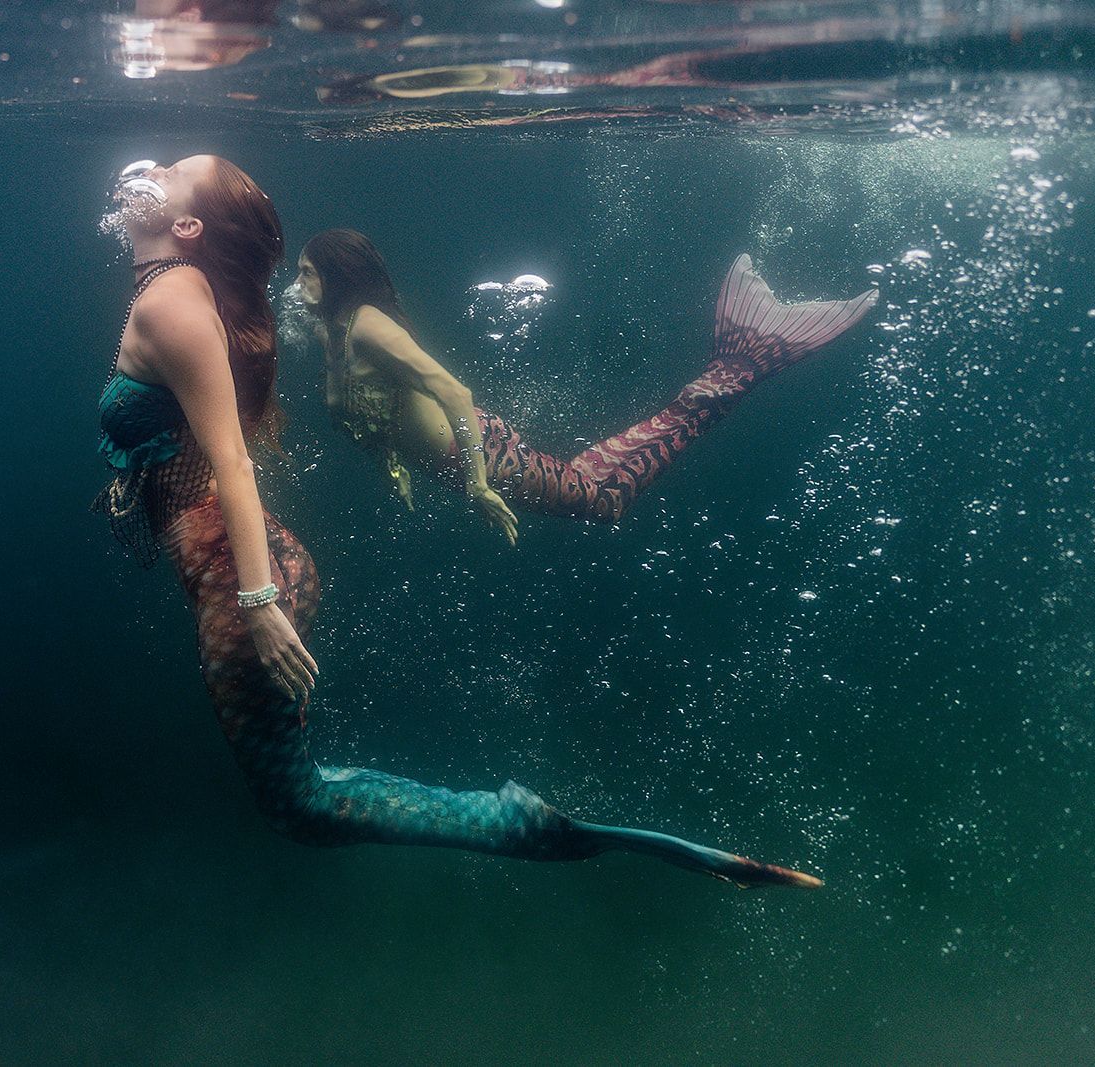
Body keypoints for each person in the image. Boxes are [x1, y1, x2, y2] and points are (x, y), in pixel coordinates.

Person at [95, 156, 821, 887]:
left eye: (176, 167)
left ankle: (520, 828)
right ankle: (468, 812)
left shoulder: (176, 304)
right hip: (249, 566)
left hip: (249, 576)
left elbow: (237, 466)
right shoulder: (183, 295)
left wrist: (260, 603)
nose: (154, 165)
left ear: (186, 225)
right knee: (299, 793)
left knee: (599, 496)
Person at [296, 229, 878, 544]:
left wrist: (475, 485)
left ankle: (738, 369)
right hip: (461, 456)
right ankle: (734, 363)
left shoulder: (367, 326)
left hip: (478, 455)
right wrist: (395, 467)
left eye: (307, 272)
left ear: (338, 275)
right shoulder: (337, 333)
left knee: (603, 501)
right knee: (585, 483)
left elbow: (455, 395)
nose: (297, 285)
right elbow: (378, 411)